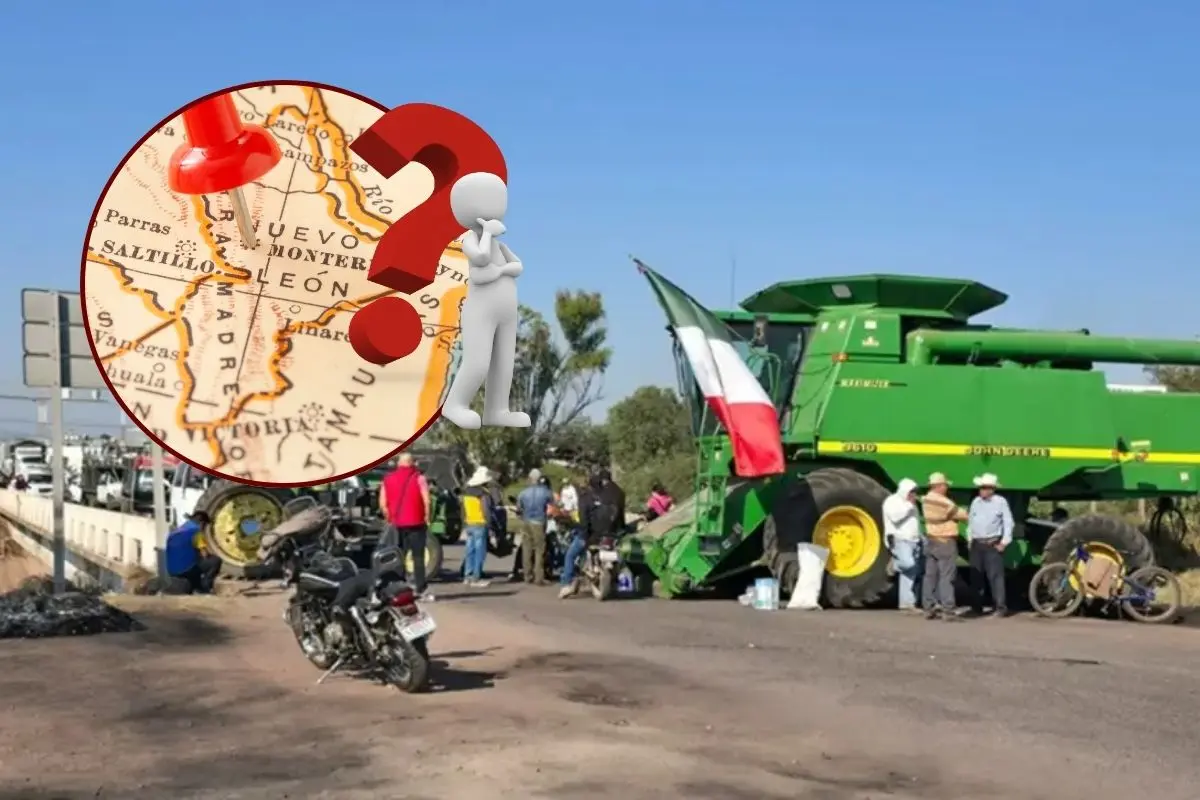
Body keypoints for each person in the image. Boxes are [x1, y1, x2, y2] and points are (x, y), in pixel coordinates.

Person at [559, 468, 626, 599]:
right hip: (611, 534)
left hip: (592, 535)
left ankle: (566, 583)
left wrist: (584, 535)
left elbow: (584, 521)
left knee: (570, 555)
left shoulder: (586, 499)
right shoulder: (608, 497)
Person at [378, 452, 434, 600]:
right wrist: (427, 517)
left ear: (398, 464)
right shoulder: (419, 478)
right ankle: (420, 588)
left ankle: (400, 587)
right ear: (413, 463)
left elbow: (383, 504)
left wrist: (389, 517)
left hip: (397, 524)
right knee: (418, 557)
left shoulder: (387, 479)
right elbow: (427, 500)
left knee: (399, 556)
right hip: (416, 523)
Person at [920, 472, 968, 620]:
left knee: (930, 576)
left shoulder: (926, 499)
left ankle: (928, 607)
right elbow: (963, 515)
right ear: (939, 486)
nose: (947, 487)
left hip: (931, 540)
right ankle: (948, 609)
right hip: (945, 541)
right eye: (945, 485)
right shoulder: (944, 502)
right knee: (947, 576)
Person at [966, 473, 1013, 618]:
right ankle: (976, 607)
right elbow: (971, 522)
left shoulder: (1000, 502)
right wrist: (969, 539)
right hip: (977, 543)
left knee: (995, 577)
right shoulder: (976, 502)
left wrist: (1004, 542)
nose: (982, 491)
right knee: (976, 576)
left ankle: (1000, 607)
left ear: (992, 489)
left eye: (985, 488)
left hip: (992, 543)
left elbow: (1008, 522)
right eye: (981, 488)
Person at [882, 478, 922, 612]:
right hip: (899, 538)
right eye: (912, 492)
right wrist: (909, 506)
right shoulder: (892, 501)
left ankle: (906, 603)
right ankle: (894, 564)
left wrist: (919, 536)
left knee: (910, 573)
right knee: (908, 564)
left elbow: (914, 521)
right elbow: (894, 517)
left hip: (913, 539)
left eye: (915, 492)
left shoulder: (912, 504)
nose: (914, 495)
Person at [164, 511, 221, 594]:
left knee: (193, 561)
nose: (204, 528)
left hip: (170, 570)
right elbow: (204, 554)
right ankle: (205, 588)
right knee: (215, 561)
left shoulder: (175, 532)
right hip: (185, 570)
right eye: (204, 525)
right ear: (201, 522)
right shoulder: (196, 532)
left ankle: (194, 585)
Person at [516, 468, 554, 585]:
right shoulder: (545, 492)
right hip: (539, 522)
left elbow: (518, 508)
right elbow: (554, 503)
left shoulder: (523, 493)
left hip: (526, 522)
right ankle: (539, 577)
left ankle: (527, 575)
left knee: (526, 548)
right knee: (539, 549)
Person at [460, 466, 494, 587]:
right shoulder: (483, 494)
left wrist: (464, 523)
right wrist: (490, 526)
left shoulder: (466, 492)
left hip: (469, 523)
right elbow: (486, 511)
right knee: (480, 551)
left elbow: (463, 510)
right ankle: (476, 577)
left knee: (470, 550)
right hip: (480, 524)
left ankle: (467, 576)